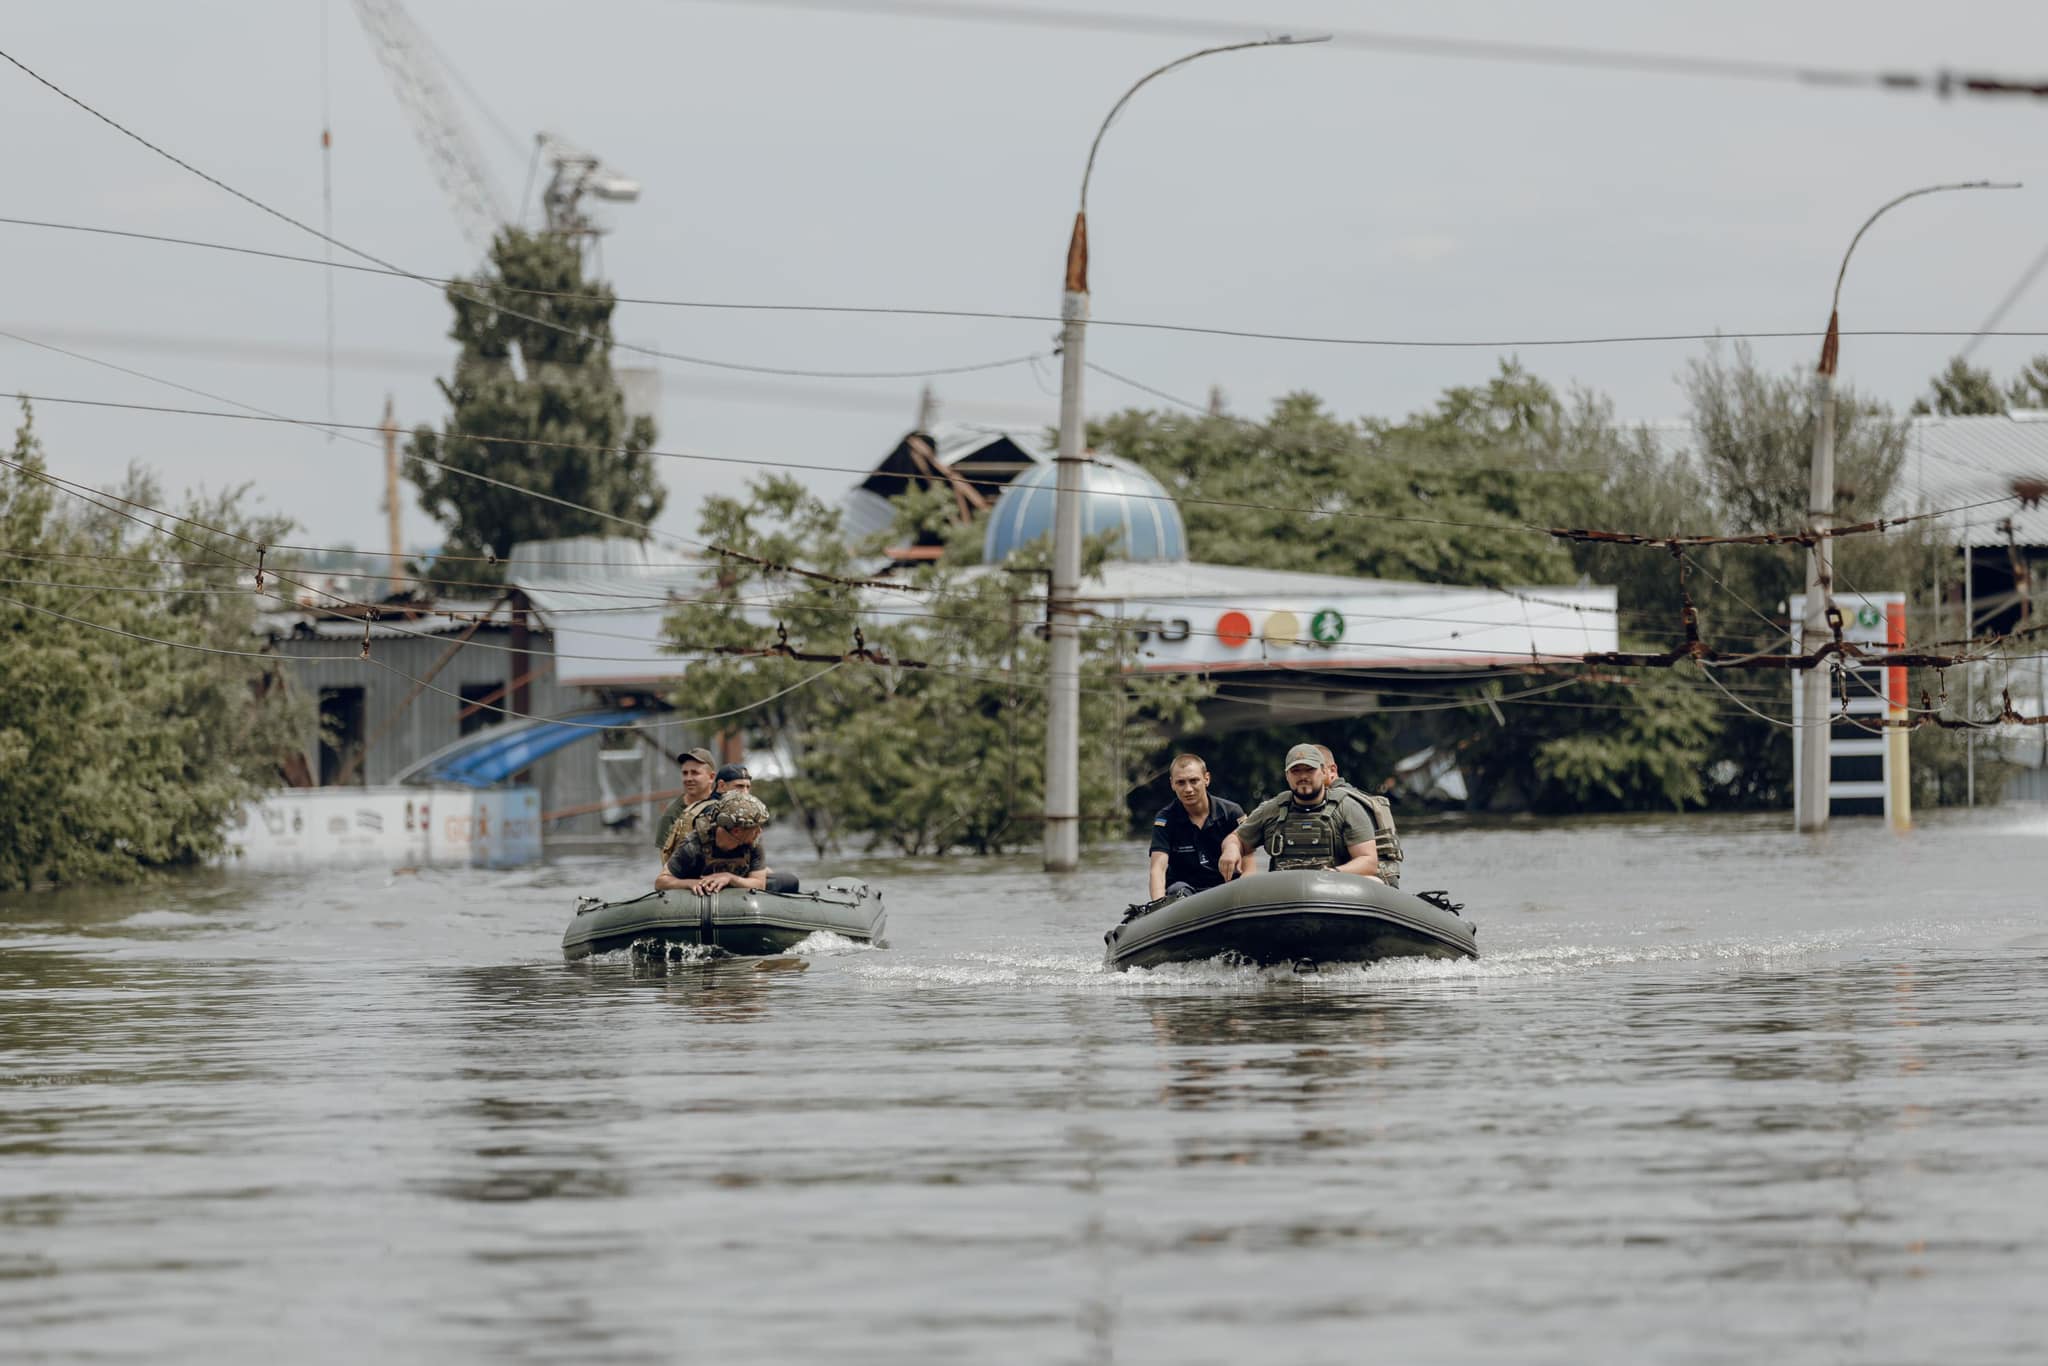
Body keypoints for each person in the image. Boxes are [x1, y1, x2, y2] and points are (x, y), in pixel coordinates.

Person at [1217, 742, 1379, 881]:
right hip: (1285, 893)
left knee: (1374, 882)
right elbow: (1235, 838)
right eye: (1296, 771)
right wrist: (1231, 849)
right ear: (1287, 776)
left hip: (1333, 890)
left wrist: (1336, 873)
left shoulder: (1347, 808)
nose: (1303, 776)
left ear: (1323, 772)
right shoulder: (1272, 809)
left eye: (1309, 769)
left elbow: (1368, 861)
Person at [1146, 753, 1245, 900]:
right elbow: (1157, 869)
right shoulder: (1165, 819)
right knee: (1177, 890)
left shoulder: (1231, 813)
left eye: (1194, 781)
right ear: (1172, 784)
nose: (1188, 789)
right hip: (1184, 894)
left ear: (1206, 779)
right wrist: (1158, 906)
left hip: (1226, 888)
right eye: (1181, 782)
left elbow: (1249, 864)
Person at [1315, 744, 1404, 888]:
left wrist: (1332, 873)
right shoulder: (1351, 796)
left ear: (1332, 770)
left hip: (1375, 882)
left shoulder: (1346, 803)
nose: (1305, 776)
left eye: (1312, 770)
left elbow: (1368, 862)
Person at [657, 793, 773, 896]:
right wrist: (689, 883)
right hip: (699, 903)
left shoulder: (753, 843)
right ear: (736, 831)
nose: (759, 831)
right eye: (755, 828)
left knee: (786, 881)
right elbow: (661, 882)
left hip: (740, 896)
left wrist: (730, 878)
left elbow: (759, 884)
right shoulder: (693, 845)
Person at [654, 747, 718, 855]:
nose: (688, 778)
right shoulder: (671, 816)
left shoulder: (724, 805)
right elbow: (665, 861)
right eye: (685, 773)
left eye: (695, 773)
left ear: (711, 777)